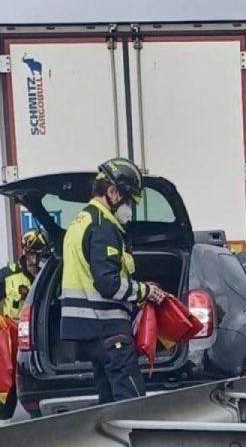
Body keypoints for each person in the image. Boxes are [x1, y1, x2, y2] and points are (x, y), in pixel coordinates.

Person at [59, 158, 167, 404]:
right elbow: (108, 283)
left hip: (88, 332)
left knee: (108, 403)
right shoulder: (104, 226)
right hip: (107, 328)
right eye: (128, 199)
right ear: (112, 192)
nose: (129, 207)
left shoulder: (79, 222)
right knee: (131, 402)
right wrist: (146, 291)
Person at [0, 228, 47, 426]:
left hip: (41, 338)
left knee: (38, 387)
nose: (41, 260)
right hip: (13, 338)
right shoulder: (8, 275)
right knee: (6, 391)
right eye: (38, 255)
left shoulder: (47, 274)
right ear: (28, 254)